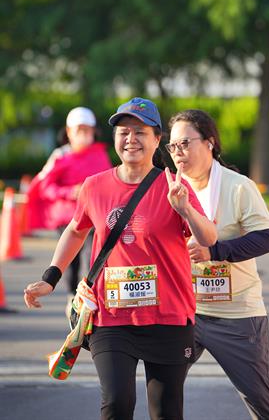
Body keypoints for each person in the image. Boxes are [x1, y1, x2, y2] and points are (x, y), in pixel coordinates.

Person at [24, 97, 217, 420]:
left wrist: (184, 208)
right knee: (116, 403)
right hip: (111, 318)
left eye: (140, 132)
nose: (131, 139)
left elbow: (208, 238)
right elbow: (75, 230)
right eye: (123, 132)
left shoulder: (174, 186)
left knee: (166, 411)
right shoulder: (95, 186)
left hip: (168, 317)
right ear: (114, 138)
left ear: (157, 140)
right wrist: (50, 278)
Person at [166, 109, 269, 420]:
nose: (178, 153)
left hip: (237, 316)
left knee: (261, 400)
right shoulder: (168, 190)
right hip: (186, 314)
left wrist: (216, 250)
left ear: (209, 142)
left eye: (185, 143)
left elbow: (266, 239)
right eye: (172, 146)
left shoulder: (238, 186)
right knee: (163, 390)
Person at [27, 107, 112, 313]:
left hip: (96, 216)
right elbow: (45, 186)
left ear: (94, 131)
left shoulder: (100, 154)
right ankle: (72, 296)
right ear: (68, 131)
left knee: (99, 255)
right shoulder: (60, 156)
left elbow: (110, 182)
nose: (83, 133)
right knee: (71, 260)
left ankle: (95, 295)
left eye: (87, 129)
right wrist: (69, 192)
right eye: (79, 129)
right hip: (69, 218)